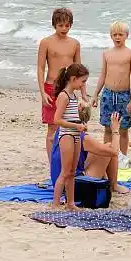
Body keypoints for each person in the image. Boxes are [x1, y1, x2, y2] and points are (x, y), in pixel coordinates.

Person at [37, 8, 83, 161]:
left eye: (67, 25)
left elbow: (79, 70)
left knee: (70, 126)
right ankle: (52, 163)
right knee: (52, 128)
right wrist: (43, 93)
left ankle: (66, 159)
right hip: (51, 88)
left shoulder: (75, 43)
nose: (64, 28)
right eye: (60, 25)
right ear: (54, 25)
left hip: (69, 89)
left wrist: (83, 95)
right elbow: (41, 67)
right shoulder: (46, 42)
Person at [92, 21, 131, 156]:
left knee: (123, 129)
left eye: (120, 35)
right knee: (107, 128)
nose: (117, 37)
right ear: (111, 36)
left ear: (126, 36)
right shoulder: (106, 53)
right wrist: (95, 94)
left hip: (124, 96)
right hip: (108, 95)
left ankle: (122, 157)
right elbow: (102, 75)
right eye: (114, 35)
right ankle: (107, 155)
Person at [52, 63, 90, 209]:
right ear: (73, 79)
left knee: (73, 172)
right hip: (67, 134)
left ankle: (70, 203)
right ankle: (55, 203)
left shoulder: (74, 95)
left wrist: (82, 117)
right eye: (83, 81)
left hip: (76, 135)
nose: (83, 85)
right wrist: (76, 126)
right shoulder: (64, 96)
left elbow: (73, 115)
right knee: (65, 172)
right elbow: (57, 120)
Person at [78, 108, 129, 195]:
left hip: (62, 179)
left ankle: (112, 184)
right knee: (109, 149)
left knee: (103, 149)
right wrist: (115, 131)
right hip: (75, 183)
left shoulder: (62, 131)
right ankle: (114, 185)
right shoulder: (83, 138)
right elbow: (114, 151)